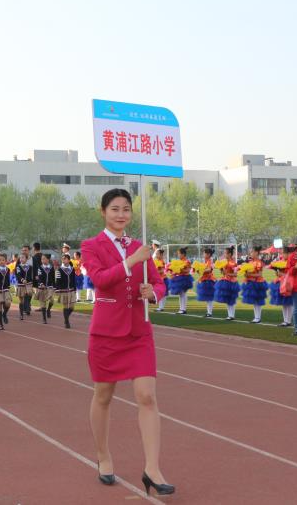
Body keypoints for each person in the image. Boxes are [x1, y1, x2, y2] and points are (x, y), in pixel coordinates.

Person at [80, 188, 173, 496]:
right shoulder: (91, 246)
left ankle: (152, 468)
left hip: (138, 331)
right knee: (103, 396)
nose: (121, 214)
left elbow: (159, 282)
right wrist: (133, 260)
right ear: (103, 212)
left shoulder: (139, 246)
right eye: (115, 209)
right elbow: (101, 279)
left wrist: (154, 293)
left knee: (147, 396)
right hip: (106, 333)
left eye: (126, 209)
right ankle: (104, 456)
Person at [241, 246, 269, 323]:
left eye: (252, 252)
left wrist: (249, 275)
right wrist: (246, 274)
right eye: (250, 252)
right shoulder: (250, 262)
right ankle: (256, 317)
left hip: (258, 283)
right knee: (254, 301)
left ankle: (258, 317)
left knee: (258, 300)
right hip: (251, 283)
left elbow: (259, 274)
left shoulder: (259, 262)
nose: (251, 253)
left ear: (256, 253)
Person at [269, 247, 294, 327]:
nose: (282, 255)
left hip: (288, 283)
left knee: (289, 302)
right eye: (282, 253)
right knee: (283, 303)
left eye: (283, 253)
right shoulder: (280, 261)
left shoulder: (291, 262)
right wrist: (277, 272)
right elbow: (279, 273)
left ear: (288, 254)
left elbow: (292, 274)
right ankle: (285, 320)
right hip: (280, 283)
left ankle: (288, 320)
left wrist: (282, 274)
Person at [213, 246, 240, 321]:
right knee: (227, 299)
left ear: (230, 254)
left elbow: (235, 274)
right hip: (225, 281)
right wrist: (222, 270)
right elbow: (224, 273)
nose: (224, 255)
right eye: (224, 253)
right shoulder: (224, 262)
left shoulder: (233, 263)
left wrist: (227, 273)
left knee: (231, 299)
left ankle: (232, 315)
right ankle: (229, 315)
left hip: (231, 282)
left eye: (226, 253)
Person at [55, 253, 77, 328]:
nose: (63, 260)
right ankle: (67, 322)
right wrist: (57, 290)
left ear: (68, 260)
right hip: (63, 290)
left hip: (71, 290)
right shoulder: (59, 270)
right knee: (66, 306)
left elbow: (73, 280)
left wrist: (75, 289)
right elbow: (57, 281)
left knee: (72, 307)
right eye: (62, 259)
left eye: (65, 259)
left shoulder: (72, 269)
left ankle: (66, 318)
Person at [168, 248, 192, 314]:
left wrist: (180, 269)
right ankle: (181, 308)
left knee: (183, 293)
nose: (178, 255)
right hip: (179, 278)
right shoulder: (178, 261)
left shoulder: (187, 261)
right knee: (181, 294)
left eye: (179, 254)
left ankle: (183, 309)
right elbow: (176, 270)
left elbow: (188, 270)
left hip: (185, 278)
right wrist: (173, 272)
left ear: (183, 254)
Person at [35, 253, 56, 324]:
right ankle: (44, 318)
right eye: (41, 259)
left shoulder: (51, 267)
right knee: (43, 303)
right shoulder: (40, 268)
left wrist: (54, 287)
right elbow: (39, 277)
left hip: (49, 287)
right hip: (41, 288)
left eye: (44, 259)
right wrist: (41, 284)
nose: (42, 260)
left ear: (48, 259)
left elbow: (53, 278)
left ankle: (48, 309)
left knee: (52, 300)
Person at [195, 248, 216, 317]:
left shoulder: (210, 261)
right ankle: (209, 312)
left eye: (204, 253)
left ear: (208, 254)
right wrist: (198, 270)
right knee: (207, 297)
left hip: (209, 280)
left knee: (209, 297)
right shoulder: (205, 261)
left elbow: (209, 269)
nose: (203, 255)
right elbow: (202, 272)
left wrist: (201, 270)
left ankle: (209, 312)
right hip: (205, 279)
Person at [15, 254, 35, 320]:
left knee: (29, 294)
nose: (21, 259)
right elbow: (18, 275)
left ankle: (27, 307)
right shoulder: (18, 267)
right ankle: (21, 314)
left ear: (26, 259)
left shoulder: (30, 267)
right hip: (21, 284)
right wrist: (22, 280)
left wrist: (32, 281)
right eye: (20, 258)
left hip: (28, 284)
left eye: (23, 257)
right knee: (21, 300)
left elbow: (31, 275)